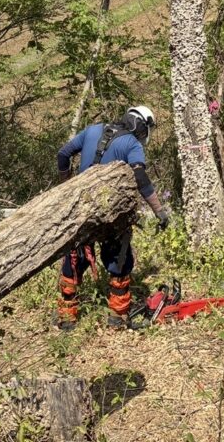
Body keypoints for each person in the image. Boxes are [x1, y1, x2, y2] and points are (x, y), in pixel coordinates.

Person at [55, 105, 170, 330]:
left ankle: (66, 318)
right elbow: (141, 178)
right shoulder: (132, 144)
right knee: (120, 260)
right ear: (142, 127)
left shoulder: (93, 130)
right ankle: (117, 317)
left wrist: (66, 187)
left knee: (74, 259)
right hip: (111, 214)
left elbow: (63, 154)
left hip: (81, 209)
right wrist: (159, 211)